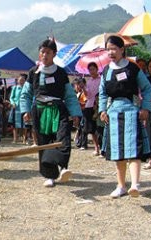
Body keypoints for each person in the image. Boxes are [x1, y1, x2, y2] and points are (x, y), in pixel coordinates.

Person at [20, 39, 82, 187]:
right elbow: (26, 94)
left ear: (54, 54)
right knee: (44, 142)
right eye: (42, 52)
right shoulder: (33, 72)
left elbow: (69, 95)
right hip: (40, 110)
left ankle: (63, 167)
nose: (44, 55)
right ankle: (50, 175)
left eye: (48, 52)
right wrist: (25, 110)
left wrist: (75, 113)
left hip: (58, 109)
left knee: (63, 139)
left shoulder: (61, 73)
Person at [99, 35, 151, 198]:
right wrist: (102, 110)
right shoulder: (107, 70)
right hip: (113, 113)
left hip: (131, 111)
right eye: (108, 49)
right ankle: (121, 185)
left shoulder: (133, 68)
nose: (111, 52)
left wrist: (145, 108)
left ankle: (135, 184)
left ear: (122, 49)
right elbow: (102, 93)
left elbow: (147, 88)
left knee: (133, 149)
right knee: (117, 151)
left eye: (114, 49)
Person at [84, 62, 101, 156]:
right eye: (90, 69)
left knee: (99, 127)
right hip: (89, 105)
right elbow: (88, 95)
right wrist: (83, 88)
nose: (91, 71)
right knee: (91, 128)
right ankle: (96, 147)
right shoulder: (89, 81)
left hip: (98, 105)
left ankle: (102, 147)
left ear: (97, 69)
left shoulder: (101, 80)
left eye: (93, 69)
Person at [8, 74, 28, 144]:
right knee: (15, 124)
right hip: (16, 107)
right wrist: (13, 102)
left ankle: (24, 139)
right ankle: (15, 139)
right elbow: (11, 97)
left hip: (24, 107)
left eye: (23, 80)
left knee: (25, 124)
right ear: (17, 80)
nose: (21, 81)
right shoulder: (15, 88)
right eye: (20, 80)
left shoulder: (27, 88)